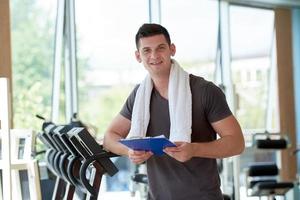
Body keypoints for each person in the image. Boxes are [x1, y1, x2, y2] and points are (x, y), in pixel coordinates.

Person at [103, 23, 245, 200]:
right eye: (146, 50)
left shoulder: (205, 91)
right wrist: (130, 152)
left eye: (160, 48)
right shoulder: (139, 96)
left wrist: (194, 149)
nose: (154, 56)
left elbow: (237, 142)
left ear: (172, 49)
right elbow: (110, 137)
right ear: (138, 56)